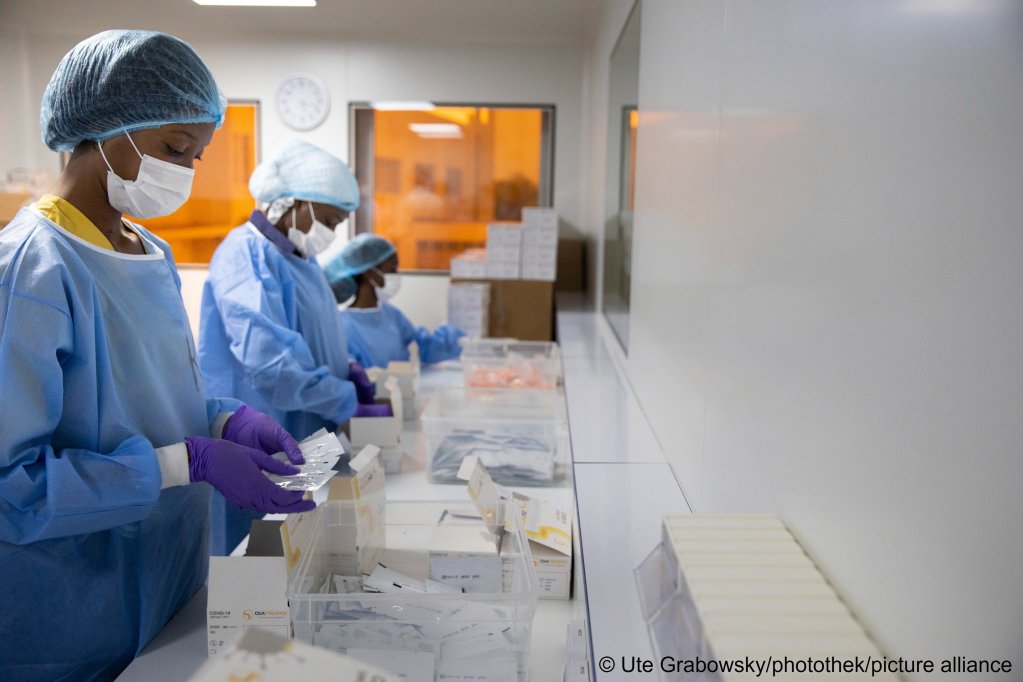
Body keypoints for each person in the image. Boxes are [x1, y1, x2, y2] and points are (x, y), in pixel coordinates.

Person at [0, 30, 314, 681]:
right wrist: (184, 462)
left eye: (196, 156)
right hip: (72, 613)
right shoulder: (32, 269)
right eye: (175, 149)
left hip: (171, 583)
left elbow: (155, 392)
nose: (187, 173)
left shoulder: (149, 251)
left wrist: (225, 421)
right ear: (105, 130)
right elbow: (12, 489)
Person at [198, 139, 377, 554]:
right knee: (254, 556)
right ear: (293, 203)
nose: (331, 233)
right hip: (262, 432)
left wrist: (343, 367)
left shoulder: (303, 259)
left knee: (299, 551)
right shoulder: (245, 257)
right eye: (329, 219)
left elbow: (314, 334)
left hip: (307, 430)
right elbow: (273, 367)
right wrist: (344, 398)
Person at [323, 233, 466, 368]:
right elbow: (355, 376)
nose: (396, 275)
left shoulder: (391, 314)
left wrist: (462, 337)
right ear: (369, 272)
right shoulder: (343, 327)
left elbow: (424, 345)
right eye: (391, 269)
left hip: (404, 392)